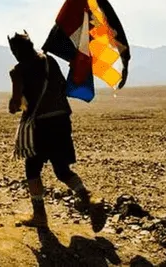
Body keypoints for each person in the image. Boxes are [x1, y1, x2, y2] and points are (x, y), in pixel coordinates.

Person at [7, 31, 104, 231]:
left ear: (15, 51)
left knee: (32, 170)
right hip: (61, 120)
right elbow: (61, 86)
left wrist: (16, 101)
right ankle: (90, 198)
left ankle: (40, 215)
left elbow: (15, 105)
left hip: (40, 126)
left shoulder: (17, 71)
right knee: (62, 170)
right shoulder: (49, 61)